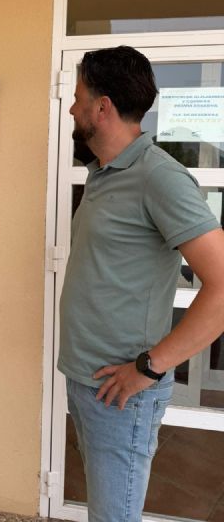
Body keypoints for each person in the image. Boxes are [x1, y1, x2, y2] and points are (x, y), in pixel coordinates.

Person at [58, 46, 224, 522]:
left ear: (102, 106)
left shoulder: (159, 177)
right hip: (88, 378)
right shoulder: (103, 172)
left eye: (78, 98)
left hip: (122, 390)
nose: (71, 109)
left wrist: (150, 368)